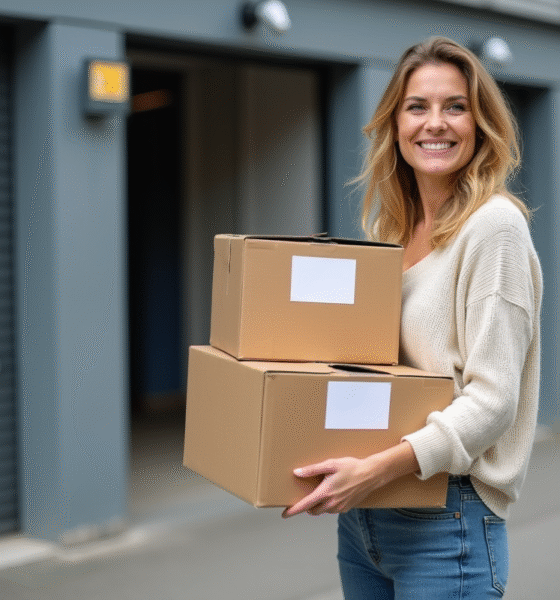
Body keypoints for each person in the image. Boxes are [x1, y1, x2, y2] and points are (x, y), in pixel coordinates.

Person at [282, 36, 543, 599]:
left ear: (481, 124)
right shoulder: (392, 235)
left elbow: (493, 402)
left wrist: (376, 469)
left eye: (455, 106)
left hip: (448, 518)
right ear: (394, 124)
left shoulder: (494, 229)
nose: (436, 123)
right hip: (367, 519)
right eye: (417, 106)